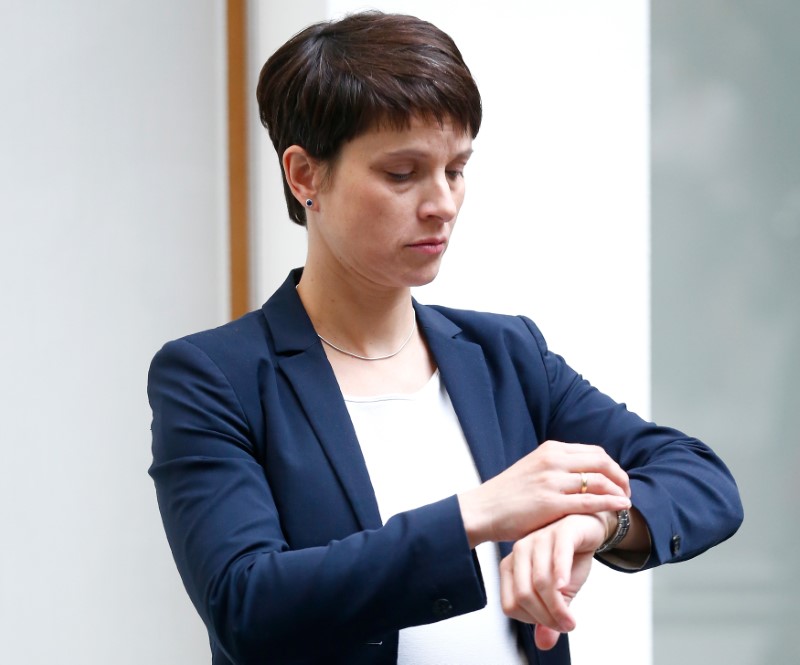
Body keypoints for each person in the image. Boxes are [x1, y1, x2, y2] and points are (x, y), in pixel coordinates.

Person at [148, 11, 742, 665]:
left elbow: (702, 479)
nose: (443, 202)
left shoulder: (505, 354)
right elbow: (248, 603)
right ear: (304, 175)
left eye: (456, 169)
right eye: (403, 174)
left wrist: (598, 521)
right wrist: (475, 513)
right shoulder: (215, 376)